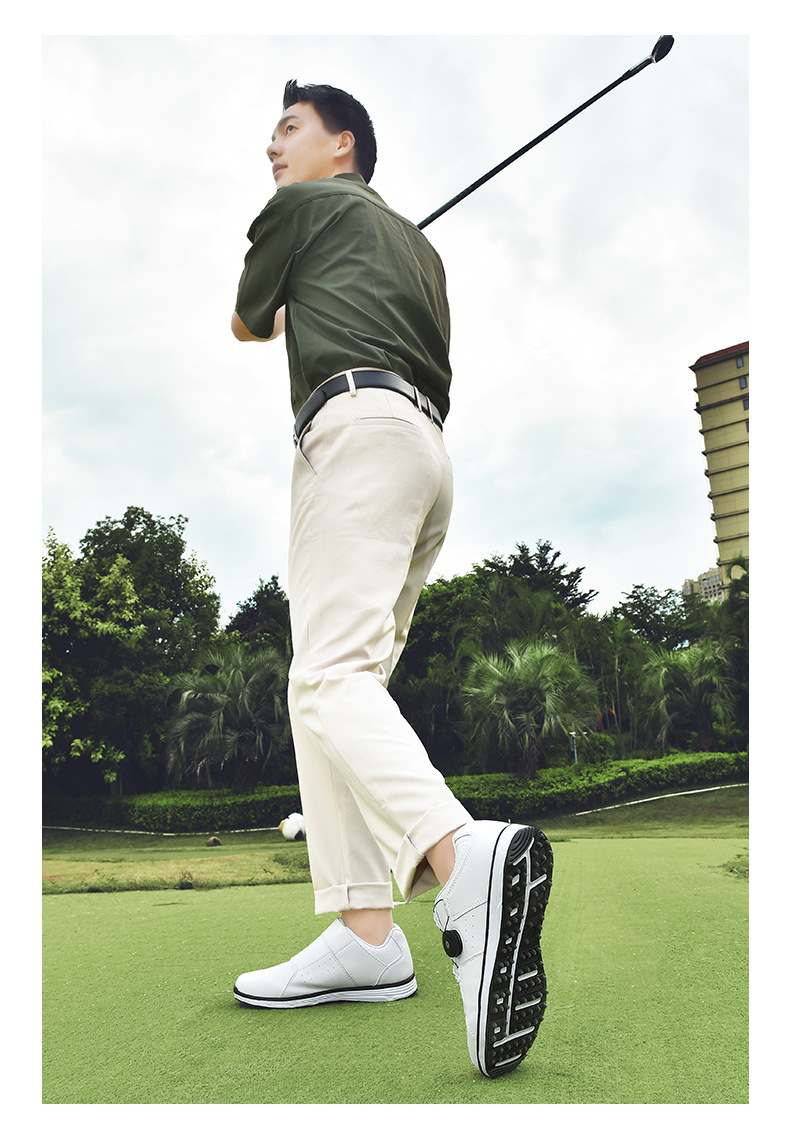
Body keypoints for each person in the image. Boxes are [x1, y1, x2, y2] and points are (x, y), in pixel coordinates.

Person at [230, 79, 553, 1079]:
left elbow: (247, 322)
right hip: (424, 453)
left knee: (327, 677)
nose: (272, 147)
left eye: (289, 129)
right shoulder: (418, 247)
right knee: (336, 685)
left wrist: (288, 294)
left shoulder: (300, 206)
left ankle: (461, 860)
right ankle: (366, 934)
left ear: (344, 146)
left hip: (354, 431)